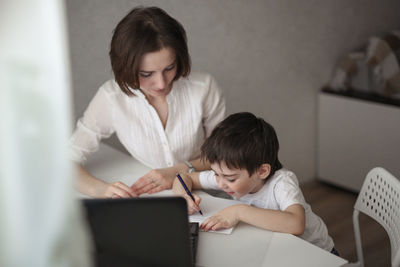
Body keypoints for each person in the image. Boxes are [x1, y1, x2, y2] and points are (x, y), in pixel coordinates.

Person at [70, 6, 225, 198]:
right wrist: (102, 190)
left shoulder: (204, 87)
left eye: (170, 68)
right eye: (146, 74)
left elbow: (224, 155)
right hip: (149, 197)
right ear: (125, 66)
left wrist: (179, 170)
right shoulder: (111, 97)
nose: (161, 83)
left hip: (208, 192)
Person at [172, 112, 339, 254]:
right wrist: (183, 196)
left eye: (230, 179)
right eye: (216, 174)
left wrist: (239, 211)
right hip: (278, 248)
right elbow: (183, 177)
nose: (221, 184)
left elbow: (296, 224)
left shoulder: (282, 183)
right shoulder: (227, 176)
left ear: (262, 171)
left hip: (316, 253)